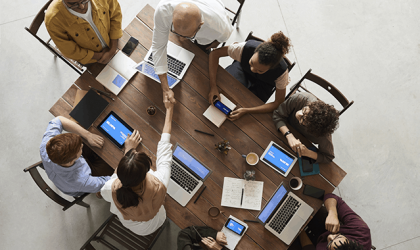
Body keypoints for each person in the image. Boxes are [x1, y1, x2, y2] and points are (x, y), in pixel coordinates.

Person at [100, 95, 174, 235]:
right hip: (153, 223)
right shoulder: (160, 183)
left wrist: (128, 151)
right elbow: (164, 150)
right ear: (146, 172)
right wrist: (170, 110)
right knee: (161, 210)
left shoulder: (111, 187)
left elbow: (110, 186)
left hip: (133, 225)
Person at [152, 0, 234, 104]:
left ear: (200, 25)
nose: (181, 40)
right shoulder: (163, 10)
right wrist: (165, 88)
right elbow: (158, 46)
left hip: (209, 30)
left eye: (186, 36)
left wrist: (215, 43)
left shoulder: (220, 28)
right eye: (176, 32)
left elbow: (223, 37)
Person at [208, 31, 292, 121]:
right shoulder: (244, 48)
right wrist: (213, 86)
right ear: (255, 51)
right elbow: (214, 54)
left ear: (272, 68)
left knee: (248, 106)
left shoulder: (281, 73)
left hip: (264, 85)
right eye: (252, 63)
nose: (252, 69)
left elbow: (278, 102)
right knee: (225, 89)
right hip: (242, 70)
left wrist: (246, 111)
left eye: (260, 70)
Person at [40, 116, 114, 197]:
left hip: (61, 174)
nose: (82, 145)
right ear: (72, 160)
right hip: (80, 184)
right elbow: (109, 184)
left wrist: (88, 135)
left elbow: (58, 120)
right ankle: (99, 194)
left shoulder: (47, 145)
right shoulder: (81, 181)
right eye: (80, 148)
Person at [45, 0, 123, 65]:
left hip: (114, 42)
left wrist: (112, 49)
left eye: (84, 0)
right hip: (92, 60)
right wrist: (100, 56)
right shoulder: (53, 20)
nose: (81, 6)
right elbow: (69, 50)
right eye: (73, 4)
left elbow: (115, 15)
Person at [272, 92, 339, 164]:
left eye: (303, 119)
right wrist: (289, 135)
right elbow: (277, 114)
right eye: (304, 110)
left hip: (300, 146)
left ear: (312, 129)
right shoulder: (300, 98)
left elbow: (328, 157)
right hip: (280, 130)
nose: (299, 113)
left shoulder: (323, 135)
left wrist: (307, 152)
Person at [298, 194, 371, 250]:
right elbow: (331, 196)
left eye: (329, 243)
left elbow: (309, 248)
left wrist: (300, 229)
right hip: (325, 223)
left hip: (315, 244)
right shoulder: (360, 230)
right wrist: (333, 213)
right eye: (338, 236)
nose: (330, 236)